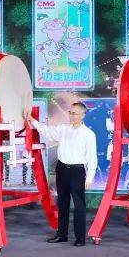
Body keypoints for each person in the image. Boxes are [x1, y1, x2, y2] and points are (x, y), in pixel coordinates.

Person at [25, 102, 97, 246]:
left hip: (77, 171)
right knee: (62, 204)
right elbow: (47, 131)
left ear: (82, 115)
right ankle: (62, 235)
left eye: (74, 113)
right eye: (70, 112)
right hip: (62, 169)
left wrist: (89, 178)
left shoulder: (88, 134)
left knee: (79, 206)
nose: (71, 116)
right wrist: (32, 120)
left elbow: (92, 158)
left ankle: (80, 238)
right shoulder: (64, 129)